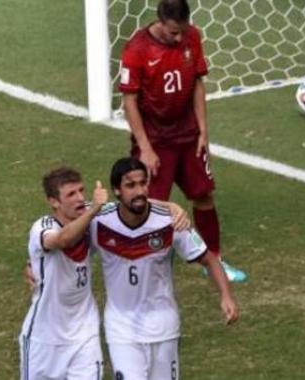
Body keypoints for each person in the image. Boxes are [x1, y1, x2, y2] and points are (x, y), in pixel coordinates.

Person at [118, 0, 247, 282]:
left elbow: (198, 84)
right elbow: (129, 102)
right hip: (155, 139)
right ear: (160, 21)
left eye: (182, 31)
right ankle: (143, 264)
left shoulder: (193, 36)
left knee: (203, 195)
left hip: (187, 134)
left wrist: (203, 131)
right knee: (148, 204)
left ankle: (214, 260)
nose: (179, 38)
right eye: (173, 32)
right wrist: (146, 148)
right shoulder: (137, 48)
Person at [92, 157, 239, 379]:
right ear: (116, 190)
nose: (139, 191)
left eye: (143, 184)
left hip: (164, 328)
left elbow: (209, 259)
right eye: (131, 186)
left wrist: (226, 296)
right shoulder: (99, 220)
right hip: (121, 330)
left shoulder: (171, 222)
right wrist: (35, 263)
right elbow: (64, 228)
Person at [19, 168, 107, 380]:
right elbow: (62, 240)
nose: (79, 198)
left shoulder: (88, 213)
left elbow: (133, 204)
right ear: (54, 202)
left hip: (84, 334)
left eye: (81, 191)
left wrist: (172, 207)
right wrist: (93, 210)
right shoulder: (42, 227)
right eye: (71, 194)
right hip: (43, 339)